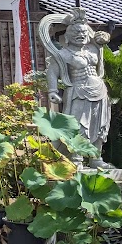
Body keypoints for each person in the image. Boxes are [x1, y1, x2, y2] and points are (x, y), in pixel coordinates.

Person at [46, 8, 111, 164]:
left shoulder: (93, 49)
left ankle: (96, 158)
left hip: (100, 91)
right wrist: (52, 90)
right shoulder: (64, 54)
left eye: (83, 33)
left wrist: (102, 37)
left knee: (100, 126)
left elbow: (102, 39)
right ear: (67, 37)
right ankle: (77, 158)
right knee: (79, 126)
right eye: (76, 33)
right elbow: (52, 72)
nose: (80, 35)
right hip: (78, 91)